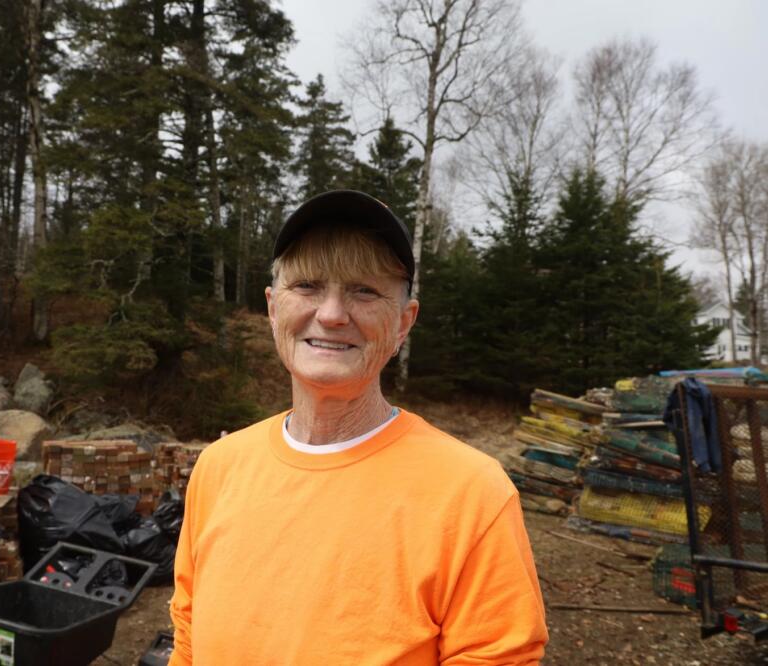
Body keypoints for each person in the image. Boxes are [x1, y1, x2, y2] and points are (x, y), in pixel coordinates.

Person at [169, 190, 548, 664]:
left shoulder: (472, 493)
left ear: (403, 323)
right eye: (307, 285)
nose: (331, 314)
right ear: (273, 308)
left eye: (364, 290)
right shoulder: (219, 468)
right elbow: (188, 635)